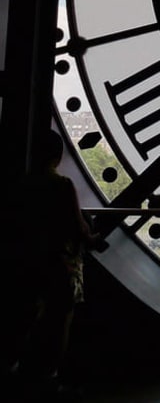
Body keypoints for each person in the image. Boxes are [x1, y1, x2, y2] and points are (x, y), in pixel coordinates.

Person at [5, 129, 97, 397]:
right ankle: (48, 376)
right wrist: (92, 238)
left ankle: (16, 371)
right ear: (57, 157)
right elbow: (78, 228)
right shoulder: (62, 186)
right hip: (60, 265)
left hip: (28, 263)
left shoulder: (21, 186)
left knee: (26, 317)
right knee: (59, 324)